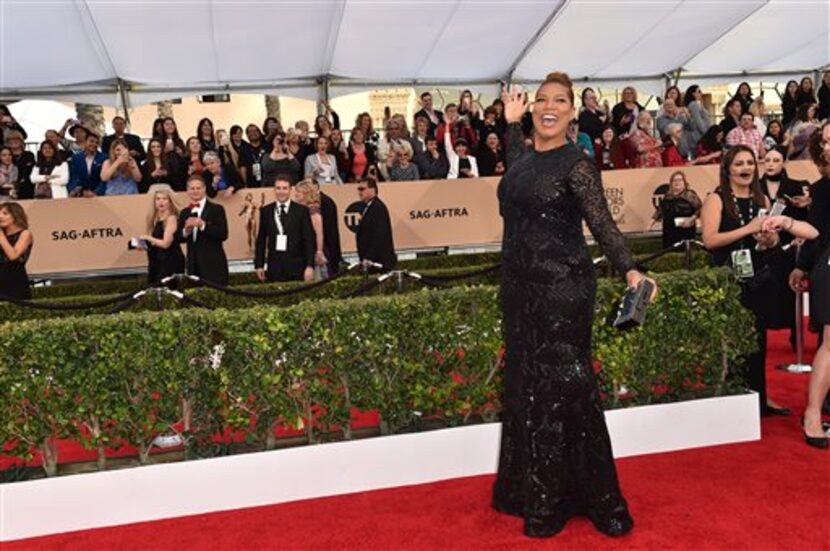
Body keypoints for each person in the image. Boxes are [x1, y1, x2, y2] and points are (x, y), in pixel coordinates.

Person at [493, 74, 655, 539]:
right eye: (540, 100)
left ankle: (589, 499)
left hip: (563, 291)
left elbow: (601, 223)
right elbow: (515, 176)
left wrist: (630, 269)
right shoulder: (523, 160)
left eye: (558, 101)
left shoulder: (578, 165)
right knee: (527, 387)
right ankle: (531, 490)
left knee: (566, 387)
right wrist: (509, 124)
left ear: (572, 112)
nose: (548, 107)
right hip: (520, 294)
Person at [700, 145, 783, 417]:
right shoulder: (717, 199)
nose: (746, 168)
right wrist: (747, 229)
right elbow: (710, 240)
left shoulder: (763, 201)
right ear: (727, 169)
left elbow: (771, 240)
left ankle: (760, 398)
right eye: (739, 164)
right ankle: (733, 399)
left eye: (749, 163)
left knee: (758, 341)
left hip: (758, 277)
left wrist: (770, 238)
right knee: (732, 341)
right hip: (727, 278)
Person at [789, 121, 830, 449]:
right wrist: (788, 223)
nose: (827, 147)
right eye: (825, 142)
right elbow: (816, 234)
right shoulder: (823, 188)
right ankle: (813, 414)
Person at [760, 147, 812, 352]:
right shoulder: (755, 187)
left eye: (776, 160)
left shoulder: (795, 186)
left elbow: (807, 219)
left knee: (789, 292)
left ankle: (795, 336)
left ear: (783, 163)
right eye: (767, 160)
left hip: (789, 249)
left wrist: (801, 236)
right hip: (763, 247)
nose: (771, 164)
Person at [254, 175, 315, 282]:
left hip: (298, 266)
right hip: (275, 267)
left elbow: (309, 240)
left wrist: (310, 266)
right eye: (278, 188)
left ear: (290, 190)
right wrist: (259, 265)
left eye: (284, 188)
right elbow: (261, 240)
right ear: (274, 190)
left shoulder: (302, 211)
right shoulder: (266, 211)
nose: (281, 192)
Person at [176, 174, 229, 286]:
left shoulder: (217, 209)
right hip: (193, 266)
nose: (195, 191)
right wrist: (186, 230)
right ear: (187, 190)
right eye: (192, 188)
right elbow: (179, 238)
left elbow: (223, 234)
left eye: (198, 188)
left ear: (204, 189)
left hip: (214, 265)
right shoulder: (184, 212)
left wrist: (203, 226)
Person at [294, 178, 342, 278]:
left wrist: (319, 252)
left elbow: (319, 233)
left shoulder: (313, 210)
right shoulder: (304, 210)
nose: (296, 195)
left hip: (315, 251)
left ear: (306, 193)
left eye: (298, 192)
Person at [139, 187, 185, 285]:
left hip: (170, 262)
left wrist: (148, 238)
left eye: (164, 199)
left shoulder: (171, 219)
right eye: (158, 199)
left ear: (170, 202)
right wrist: (144, 245)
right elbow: (156, 242)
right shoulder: (154, 219)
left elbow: (165, 244)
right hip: (156, 261)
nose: (161, 202)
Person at [355, 169, 396, 271]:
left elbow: (379, 235)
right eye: (358, 189)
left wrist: (369, 257)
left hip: (378, 262)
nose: (359, 192)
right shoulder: (368, 207)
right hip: (372, 261)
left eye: (362, 189)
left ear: (372, 189)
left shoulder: (378, 208)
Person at [651, 170, 702, 247]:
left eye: (680, 180)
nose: (677, 182)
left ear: (684, 182)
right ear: (671, 183)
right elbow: (660, 211)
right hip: (669, 231)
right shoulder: (667, 196)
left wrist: (692, 219)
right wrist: (651, 224)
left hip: (685, 230)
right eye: (674, 180)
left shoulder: (690, 195)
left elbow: (700, 208)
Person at [0, 202, 33, 299]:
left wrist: (1, 237)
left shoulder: (25, 234)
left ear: (16, 215)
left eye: (5, 214)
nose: (0, 216)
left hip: (15, 282)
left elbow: (13, 256)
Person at [68, 132, 107, 197]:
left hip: (98, 195)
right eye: (91, 141)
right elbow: (73, 177)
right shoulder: (76, 158)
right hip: (80, 195)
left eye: (97, 143)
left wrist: (96, 192)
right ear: (85, 142)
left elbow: (104, 180)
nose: (94, 144)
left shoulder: (103, 157)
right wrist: (73, 190)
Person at [4, 131, 35, 199]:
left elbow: (31, 171)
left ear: (21, 141)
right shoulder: (5, 156)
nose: (13, 141)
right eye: (10, 140)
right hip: (9, 189)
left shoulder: (29, 155)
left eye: (16, 139)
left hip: (27, 188)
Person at [684, 85, 711, 149]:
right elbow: (698, 121)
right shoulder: (694, 105)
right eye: (699, 91)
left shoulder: (698, 104)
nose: (701, 93)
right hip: (698, 135)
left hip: (701, 133)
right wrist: (707, 134)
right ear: (693, 94)